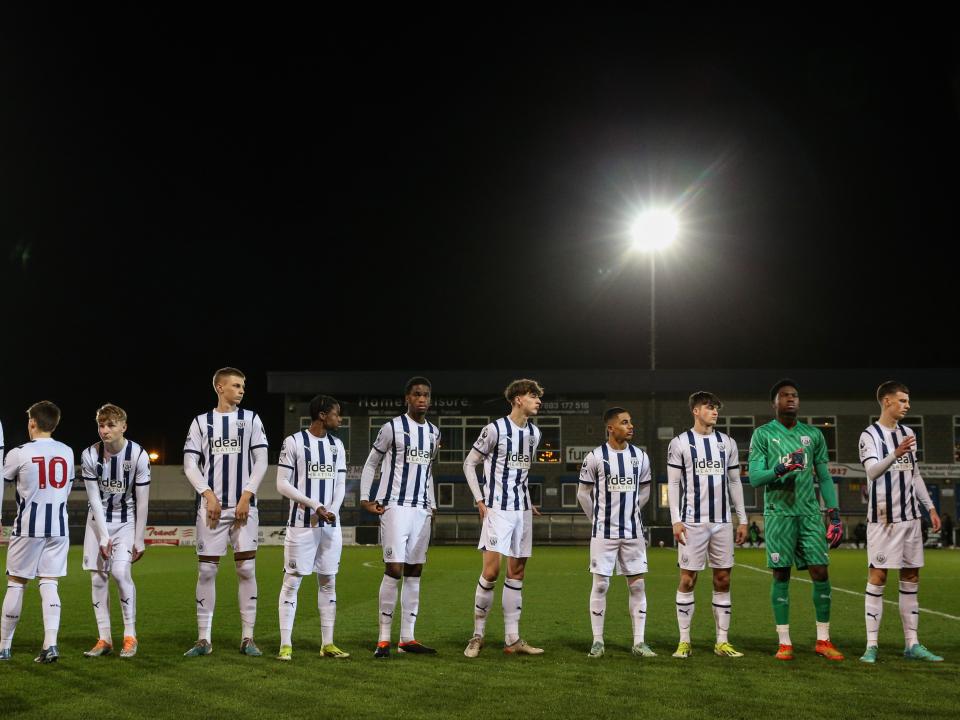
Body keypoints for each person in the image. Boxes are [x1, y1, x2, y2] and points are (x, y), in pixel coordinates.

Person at [748, 379, 844, 661]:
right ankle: (785, 642)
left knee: (821, 573)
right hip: (779, 515)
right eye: (784, 395)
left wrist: (834, 514)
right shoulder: (763, 434)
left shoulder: (813, 435)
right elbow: (754, 477)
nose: (791, 399)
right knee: (781, 574)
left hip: (810, 515)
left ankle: (823, 640)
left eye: (795, 395)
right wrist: (780, 468)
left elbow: (825, 477)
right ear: (774, 403)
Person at [182, 367, 269, 657]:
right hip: (212, 509)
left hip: (244, 507)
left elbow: (261, 460)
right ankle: (203, 639)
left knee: (246, 568)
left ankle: (248, 638)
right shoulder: (201, 422)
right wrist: (208, 495)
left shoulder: (251, 419)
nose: (242, 389)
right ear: (220, 388)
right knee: (206, 569)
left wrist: (247, 495)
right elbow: (190, 464)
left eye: (243, 385)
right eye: (236, 385)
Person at [858, 381, 943, 663]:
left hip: (910, 519)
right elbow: (872, 472)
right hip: (883, 519)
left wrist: (929, 507)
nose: (907, 405)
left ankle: (912, 644)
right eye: (903, 400)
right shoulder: (869, 435)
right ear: (886, 401)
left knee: (911, 577)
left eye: (908, 401)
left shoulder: (908, 433)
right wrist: (895, 454)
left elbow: (915, 474)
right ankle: (872, 645)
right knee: (878, 576)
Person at [462, 379, 544, 658]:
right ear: (518, 399)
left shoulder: (535, 435)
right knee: (491, 571)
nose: (538, 401)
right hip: (497, 509)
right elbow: (469, 463)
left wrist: (529, 503)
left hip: (521, 510)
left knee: (517, 573)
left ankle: (512, 639)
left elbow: (523, 475)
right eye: (533, 396)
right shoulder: (494, 429)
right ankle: (477, 636)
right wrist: (480, 500)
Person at [360, 377, 440, 658]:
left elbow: (428, 472)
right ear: (407, 397)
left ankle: (407, 638)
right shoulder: (392, 427)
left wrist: (432, 504)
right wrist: (365, 498)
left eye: (426, 395)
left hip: (421, 509)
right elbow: (372, 462)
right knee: (394, 569)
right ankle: (383, 639)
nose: (422, 399)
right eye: (417, 394)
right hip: (395, 506)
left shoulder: (433, 432)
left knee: (415, 571)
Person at [667, 391, 748, 659]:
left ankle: (722, 641)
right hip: (692, 523)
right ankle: (684, 641)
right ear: (695, 411)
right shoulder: (680, 443)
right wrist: (676, 520)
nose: (715, 412)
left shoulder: (727, 443)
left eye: (716, 408)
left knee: (723, 578)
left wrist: (742, 519)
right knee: (688, 580)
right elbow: (675, 484)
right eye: (709, 407)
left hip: (722, 522)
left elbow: (735, 482)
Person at [275, 395, 348, 661]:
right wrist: (315, 505)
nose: (339, 419)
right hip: (301, 524)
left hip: (330, 525)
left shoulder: (336, 446)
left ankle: (327, 644)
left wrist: (333, 511)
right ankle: (286, 644)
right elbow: (282, 484)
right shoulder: (294, 442)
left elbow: (340, 485)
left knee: (328, 581)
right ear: (322, 414)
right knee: (292, 581)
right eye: (336, 414)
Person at [0, 402, 75, 663]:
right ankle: (50, 644)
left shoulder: (19, 453)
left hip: (28, 528)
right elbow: (65, 489)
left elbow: (3, 482)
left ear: (32, 422)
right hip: (59, 528)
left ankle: (4, 646)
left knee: (16, 584)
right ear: (54, 424)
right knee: (49, 583)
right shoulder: (67, 452)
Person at [577, 407, 654, 658]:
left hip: (633, 532)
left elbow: (645, 491)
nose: (630, 426)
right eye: (624, 422)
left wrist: (632, 511)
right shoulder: (595, 457)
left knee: (638, 585)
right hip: (603, 533)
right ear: (611, 428)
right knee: (600, 585)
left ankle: (639, 642)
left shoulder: (641, 457)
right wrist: (597, 519)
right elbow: (582, 494)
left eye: (631, 422)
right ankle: (598, 641)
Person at [81, 404, 151, 658]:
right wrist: (102, 535)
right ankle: (104, 639)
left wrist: (139, 538)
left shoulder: (138, 455)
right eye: (101, 425)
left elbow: (142, 501)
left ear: (124, 426)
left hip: (125, 521)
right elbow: (94, 500)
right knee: (98, 578)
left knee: (121, 573)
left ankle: (130, 635)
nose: (105, 430)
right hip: (97, 522)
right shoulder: (89, 455)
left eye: (111, 425)